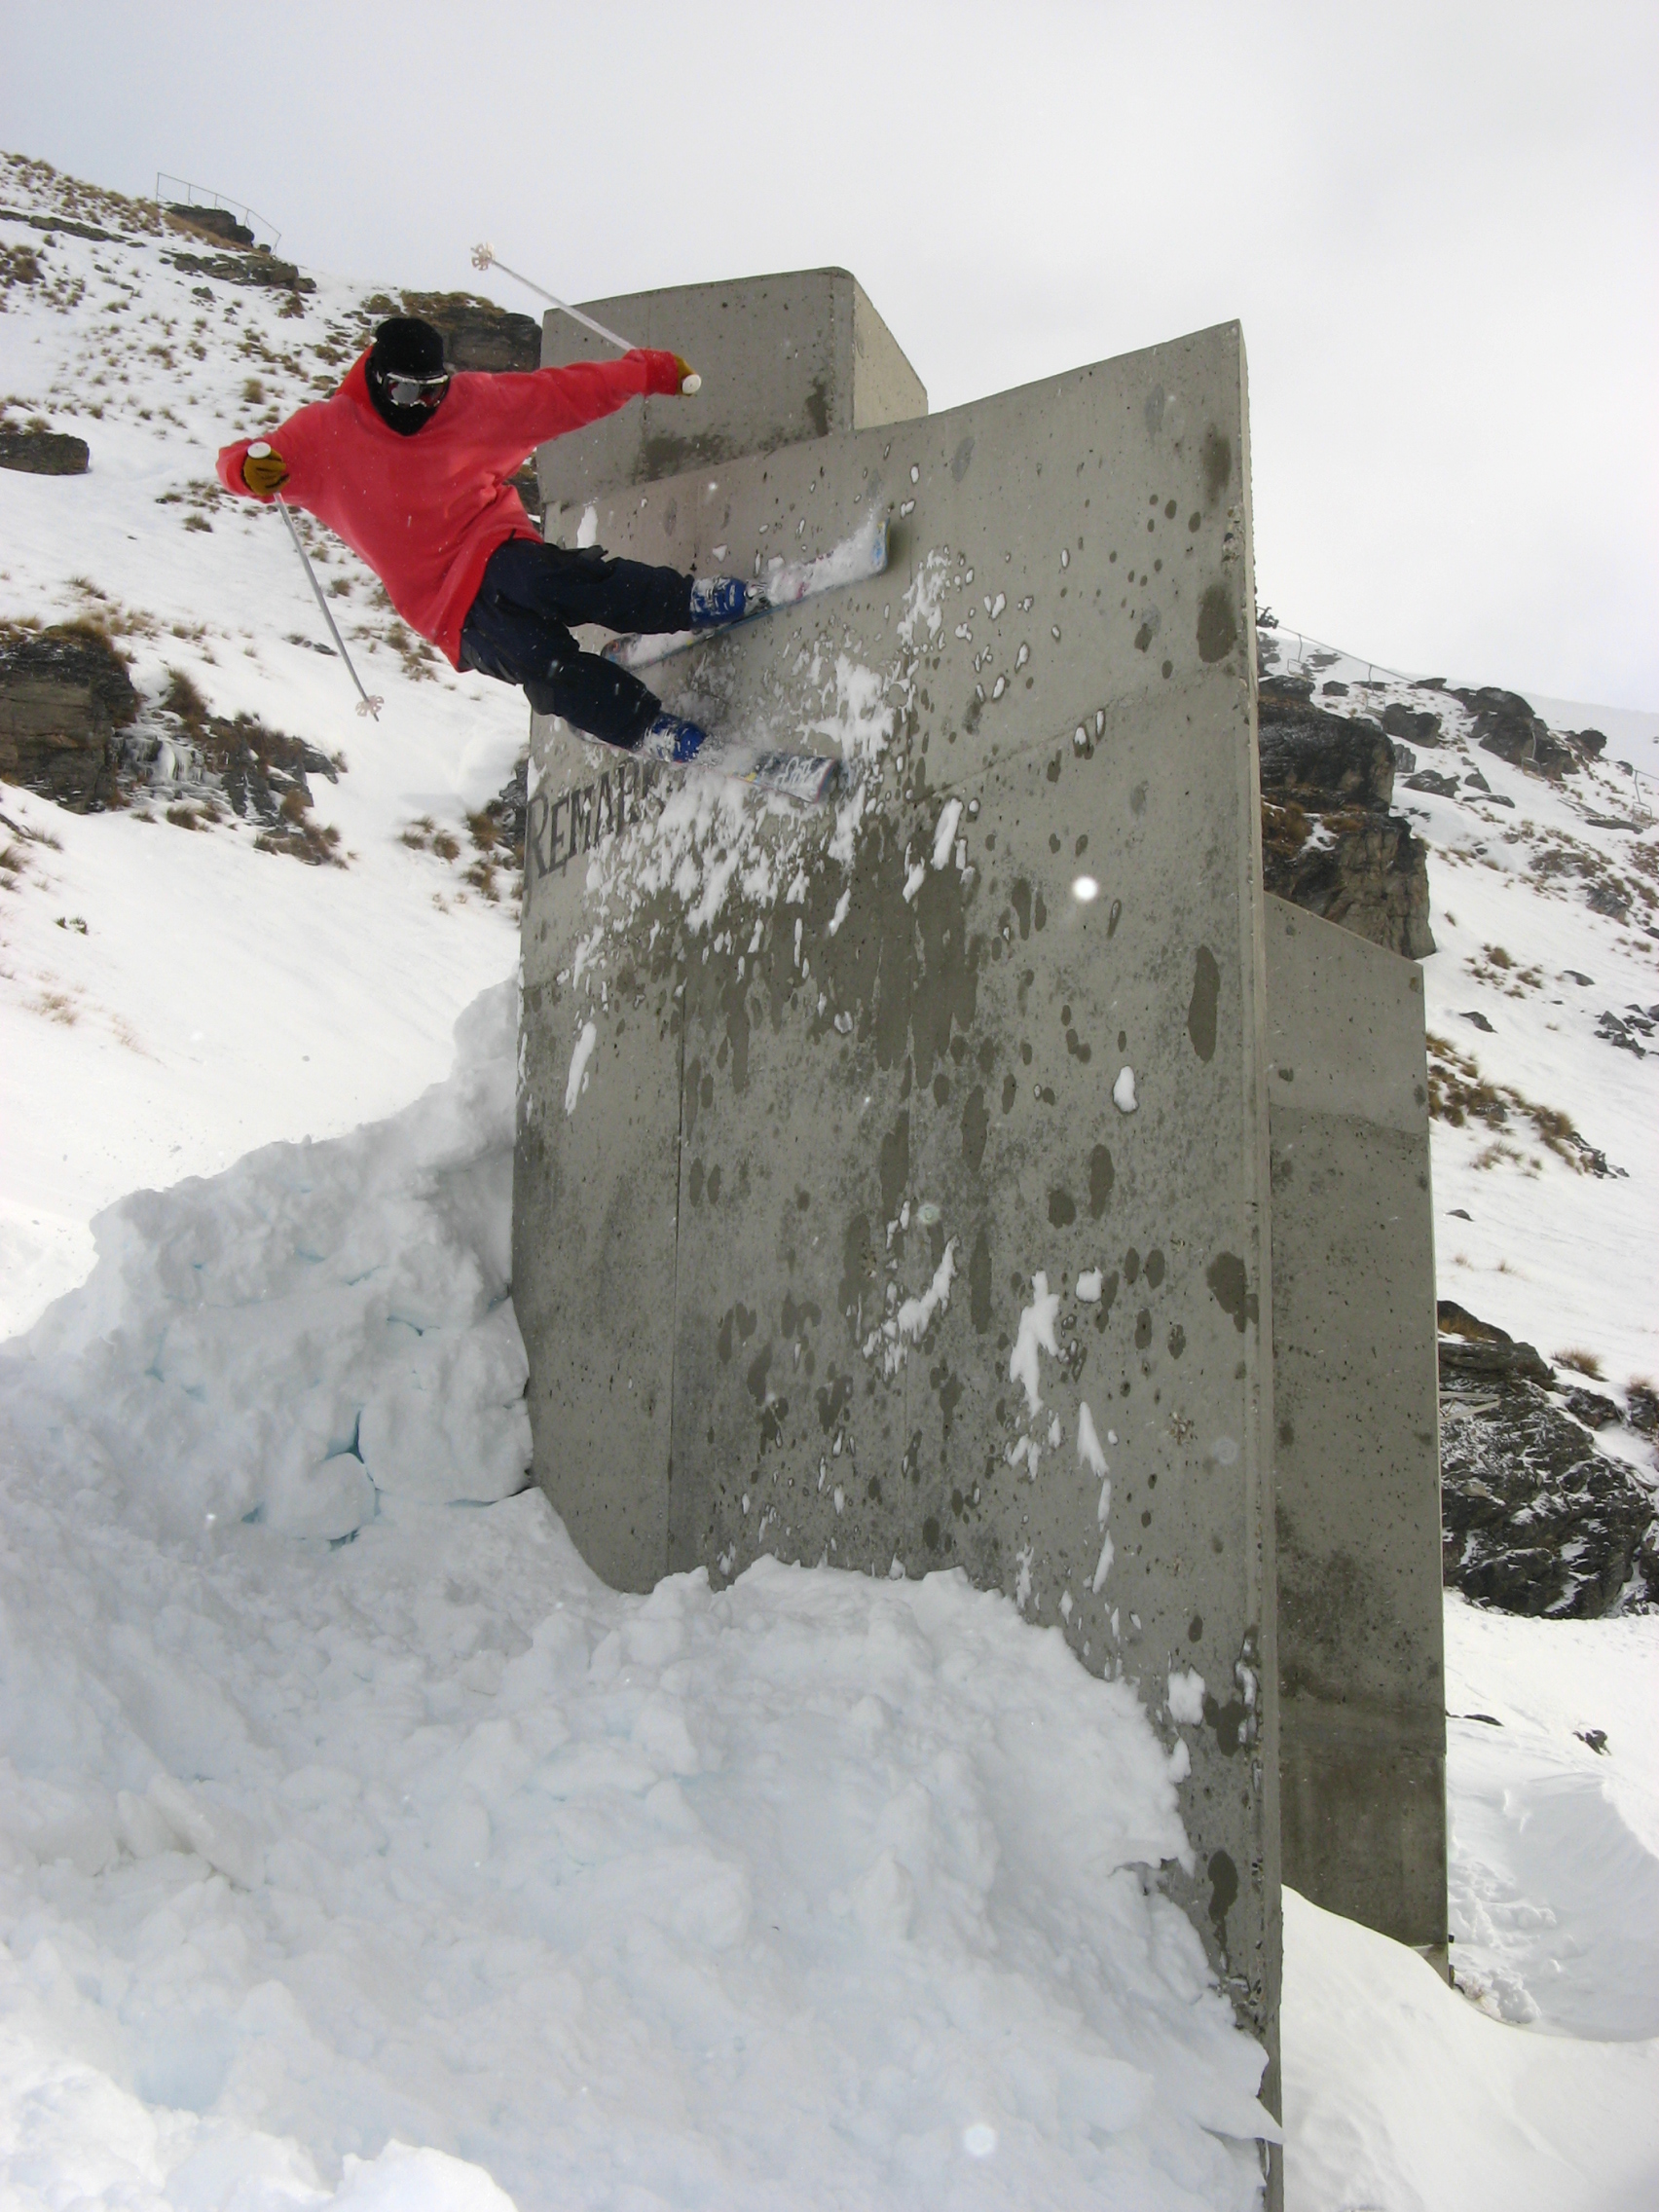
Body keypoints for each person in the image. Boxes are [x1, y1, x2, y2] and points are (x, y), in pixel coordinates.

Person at [216, 315, 757, 761]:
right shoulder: (324, 433)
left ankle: (686, 600)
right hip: (445, 608)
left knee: (563, 583)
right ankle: (641, 726)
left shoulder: (470, 404)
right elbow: (243, 463)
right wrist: (247, 469)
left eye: (432, 392)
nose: (420, 407)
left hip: (493, 545)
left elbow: (564, 395)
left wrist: (646, 372)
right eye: (406, 391)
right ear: (378, 379)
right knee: (537, 660)